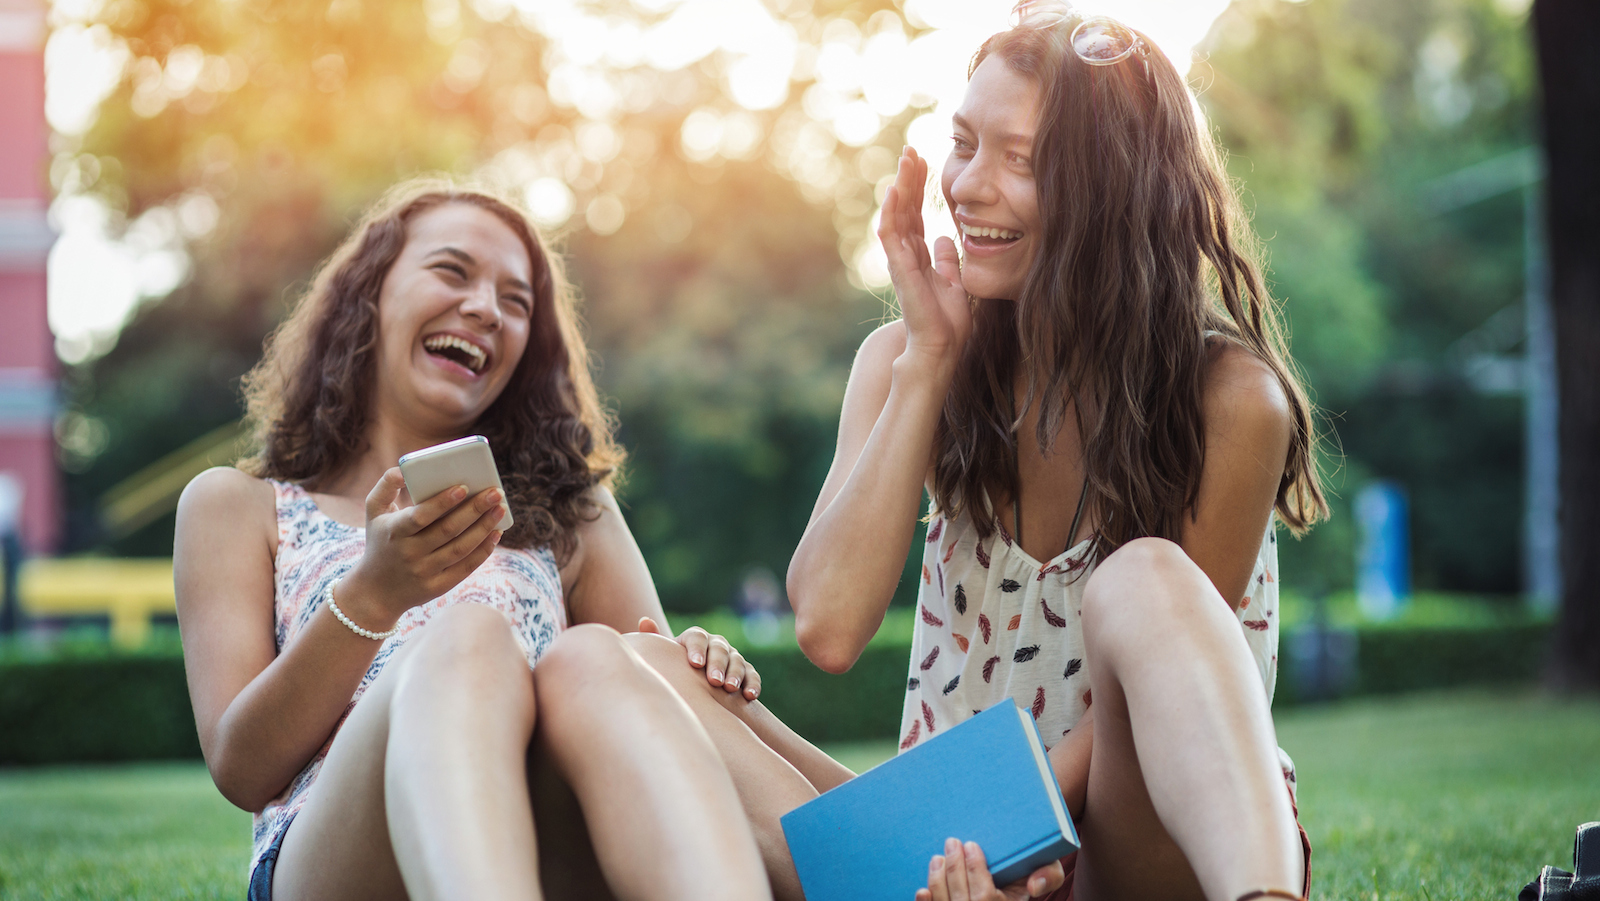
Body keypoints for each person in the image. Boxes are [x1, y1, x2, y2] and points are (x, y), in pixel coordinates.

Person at [779, 4, 1325, 900]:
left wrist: (1019, 846)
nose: (969, 185)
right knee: (639, 673)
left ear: (1112, 190)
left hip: (1134, 845)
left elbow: (1138, 721)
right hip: (947, 851)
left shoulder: (1230, 400)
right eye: (964, 143)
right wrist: (928, 365)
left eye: (1022, 160)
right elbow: (829, 627)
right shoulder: (907, 358)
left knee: (1144, 578)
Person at [173, 179, 777, 901]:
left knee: (597, 655)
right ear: (369, 293)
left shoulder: (573, 514)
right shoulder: (239, 506)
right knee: (467, 639)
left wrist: (698, 662)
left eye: (516, 301)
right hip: (337, 857)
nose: (486, 309)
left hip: (554, 852)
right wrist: (374, 595)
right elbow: (242, 768)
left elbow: (650, 707)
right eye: (452, 271)